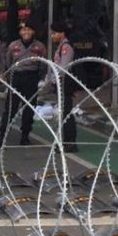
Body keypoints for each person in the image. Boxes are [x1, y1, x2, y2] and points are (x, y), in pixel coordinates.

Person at [1, 21, 48, 146]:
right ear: (19, 32)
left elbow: (43, 65)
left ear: (33, 31)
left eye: (29, 30)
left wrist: (40, 78)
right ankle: (3, 136)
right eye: (23, 30)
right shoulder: (13, 45)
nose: (26, 32)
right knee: (11, 107)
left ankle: (25, 135)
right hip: (16, 78)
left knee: (29, 108)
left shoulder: (40, 46)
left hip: (31, 78)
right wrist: (9, 78)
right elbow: (8, 62)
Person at [49, 20, 79, 153]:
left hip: (65, 83)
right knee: (64, 112)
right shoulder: (61, 46)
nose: (52, 36)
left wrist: (53, 79)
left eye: (54, 33)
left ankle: (70, 142)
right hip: (61, 83)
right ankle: (66, 141)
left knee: (67, 112)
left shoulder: (66, 47)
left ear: (62, 33)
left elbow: (63, 67)